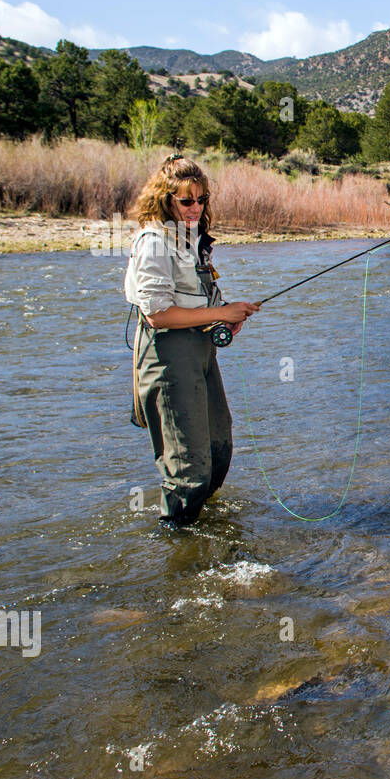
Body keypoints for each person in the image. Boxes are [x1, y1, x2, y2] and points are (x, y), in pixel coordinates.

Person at [124, 154, 260, 526]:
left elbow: (201, 297)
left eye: (201, 200)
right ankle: (177, 546)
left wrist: (228, 314)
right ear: (166, 200)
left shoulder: (192, 239)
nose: (195, 208)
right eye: (186, 201)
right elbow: (157, 314)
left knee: (219, 449)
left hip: (200, 353)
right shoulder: (153, 242)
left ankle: (205, 526)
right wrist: (220, 314)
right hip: (168, 356)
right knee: (188, 470)